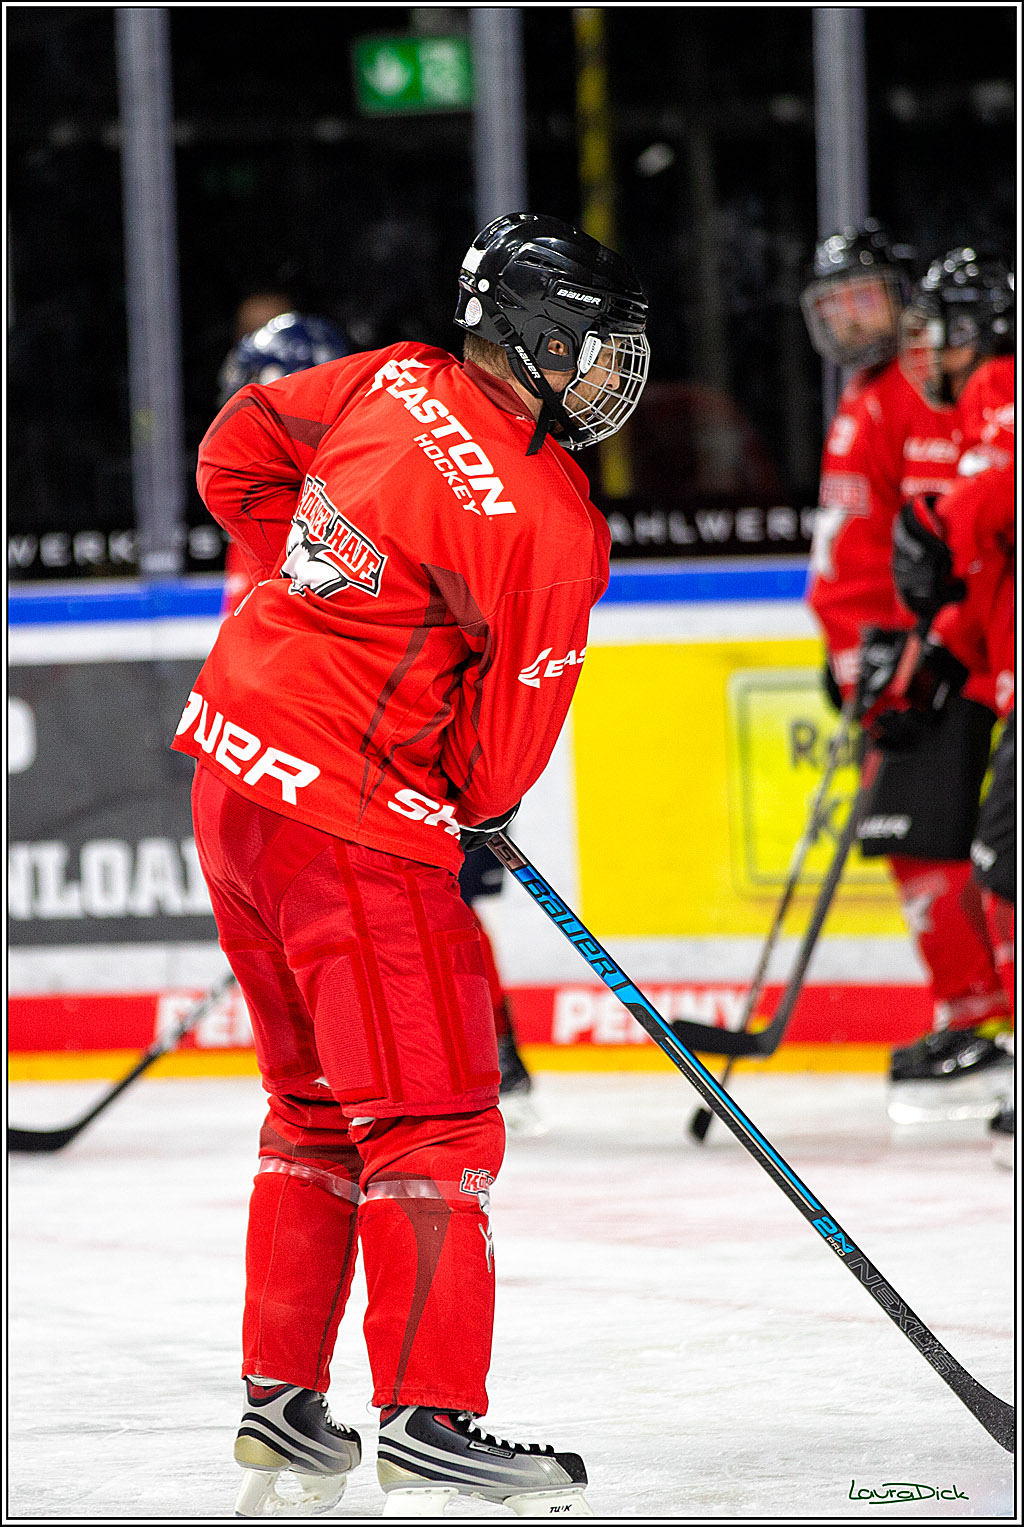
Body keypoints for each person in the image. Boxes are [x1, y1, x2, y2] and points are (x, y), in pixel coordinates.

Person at [173, 212, 649, 1517]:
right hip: (349, 826)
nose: (617, 376)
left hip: (231, 775)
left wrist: (324, 592)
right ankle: (432, 1419)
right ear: (540, 340)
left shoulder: (393, 376)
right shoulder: (551, 520)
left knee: (313, 1106)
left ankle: (282, 1403)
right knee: (434, 1119)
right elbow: (492, 777)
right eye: (602, 350)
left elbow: (234, 450)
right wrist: (392, 679)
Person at [217, 310, 541, 1119]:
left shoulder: (399, 476)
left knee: (445, 902)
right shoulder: (296, 506)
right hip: (322, 767)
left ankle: (492, 1041)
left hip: (399, 750)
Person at [802, 231, 1009, 1094]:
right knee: (924, 832)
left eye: (864, 296)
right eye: (832, 304)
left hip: (960, 638)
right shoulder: (876, 398)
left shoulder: (966, 382)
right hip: (932, 645)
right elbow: (851, 557)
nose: (851, 320)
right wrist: (863, 662)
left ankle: (987, 1016)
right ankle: (975, 1013)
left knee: (989, 847)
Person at [876, 346, 1015, 1147]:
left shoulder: (1001, 381)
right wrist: (938, 660)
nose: (939, 350)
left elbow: (991, 501)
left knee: (1004, 877)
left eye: (952, 328)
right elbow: (993, 570)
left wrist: (934, 521)